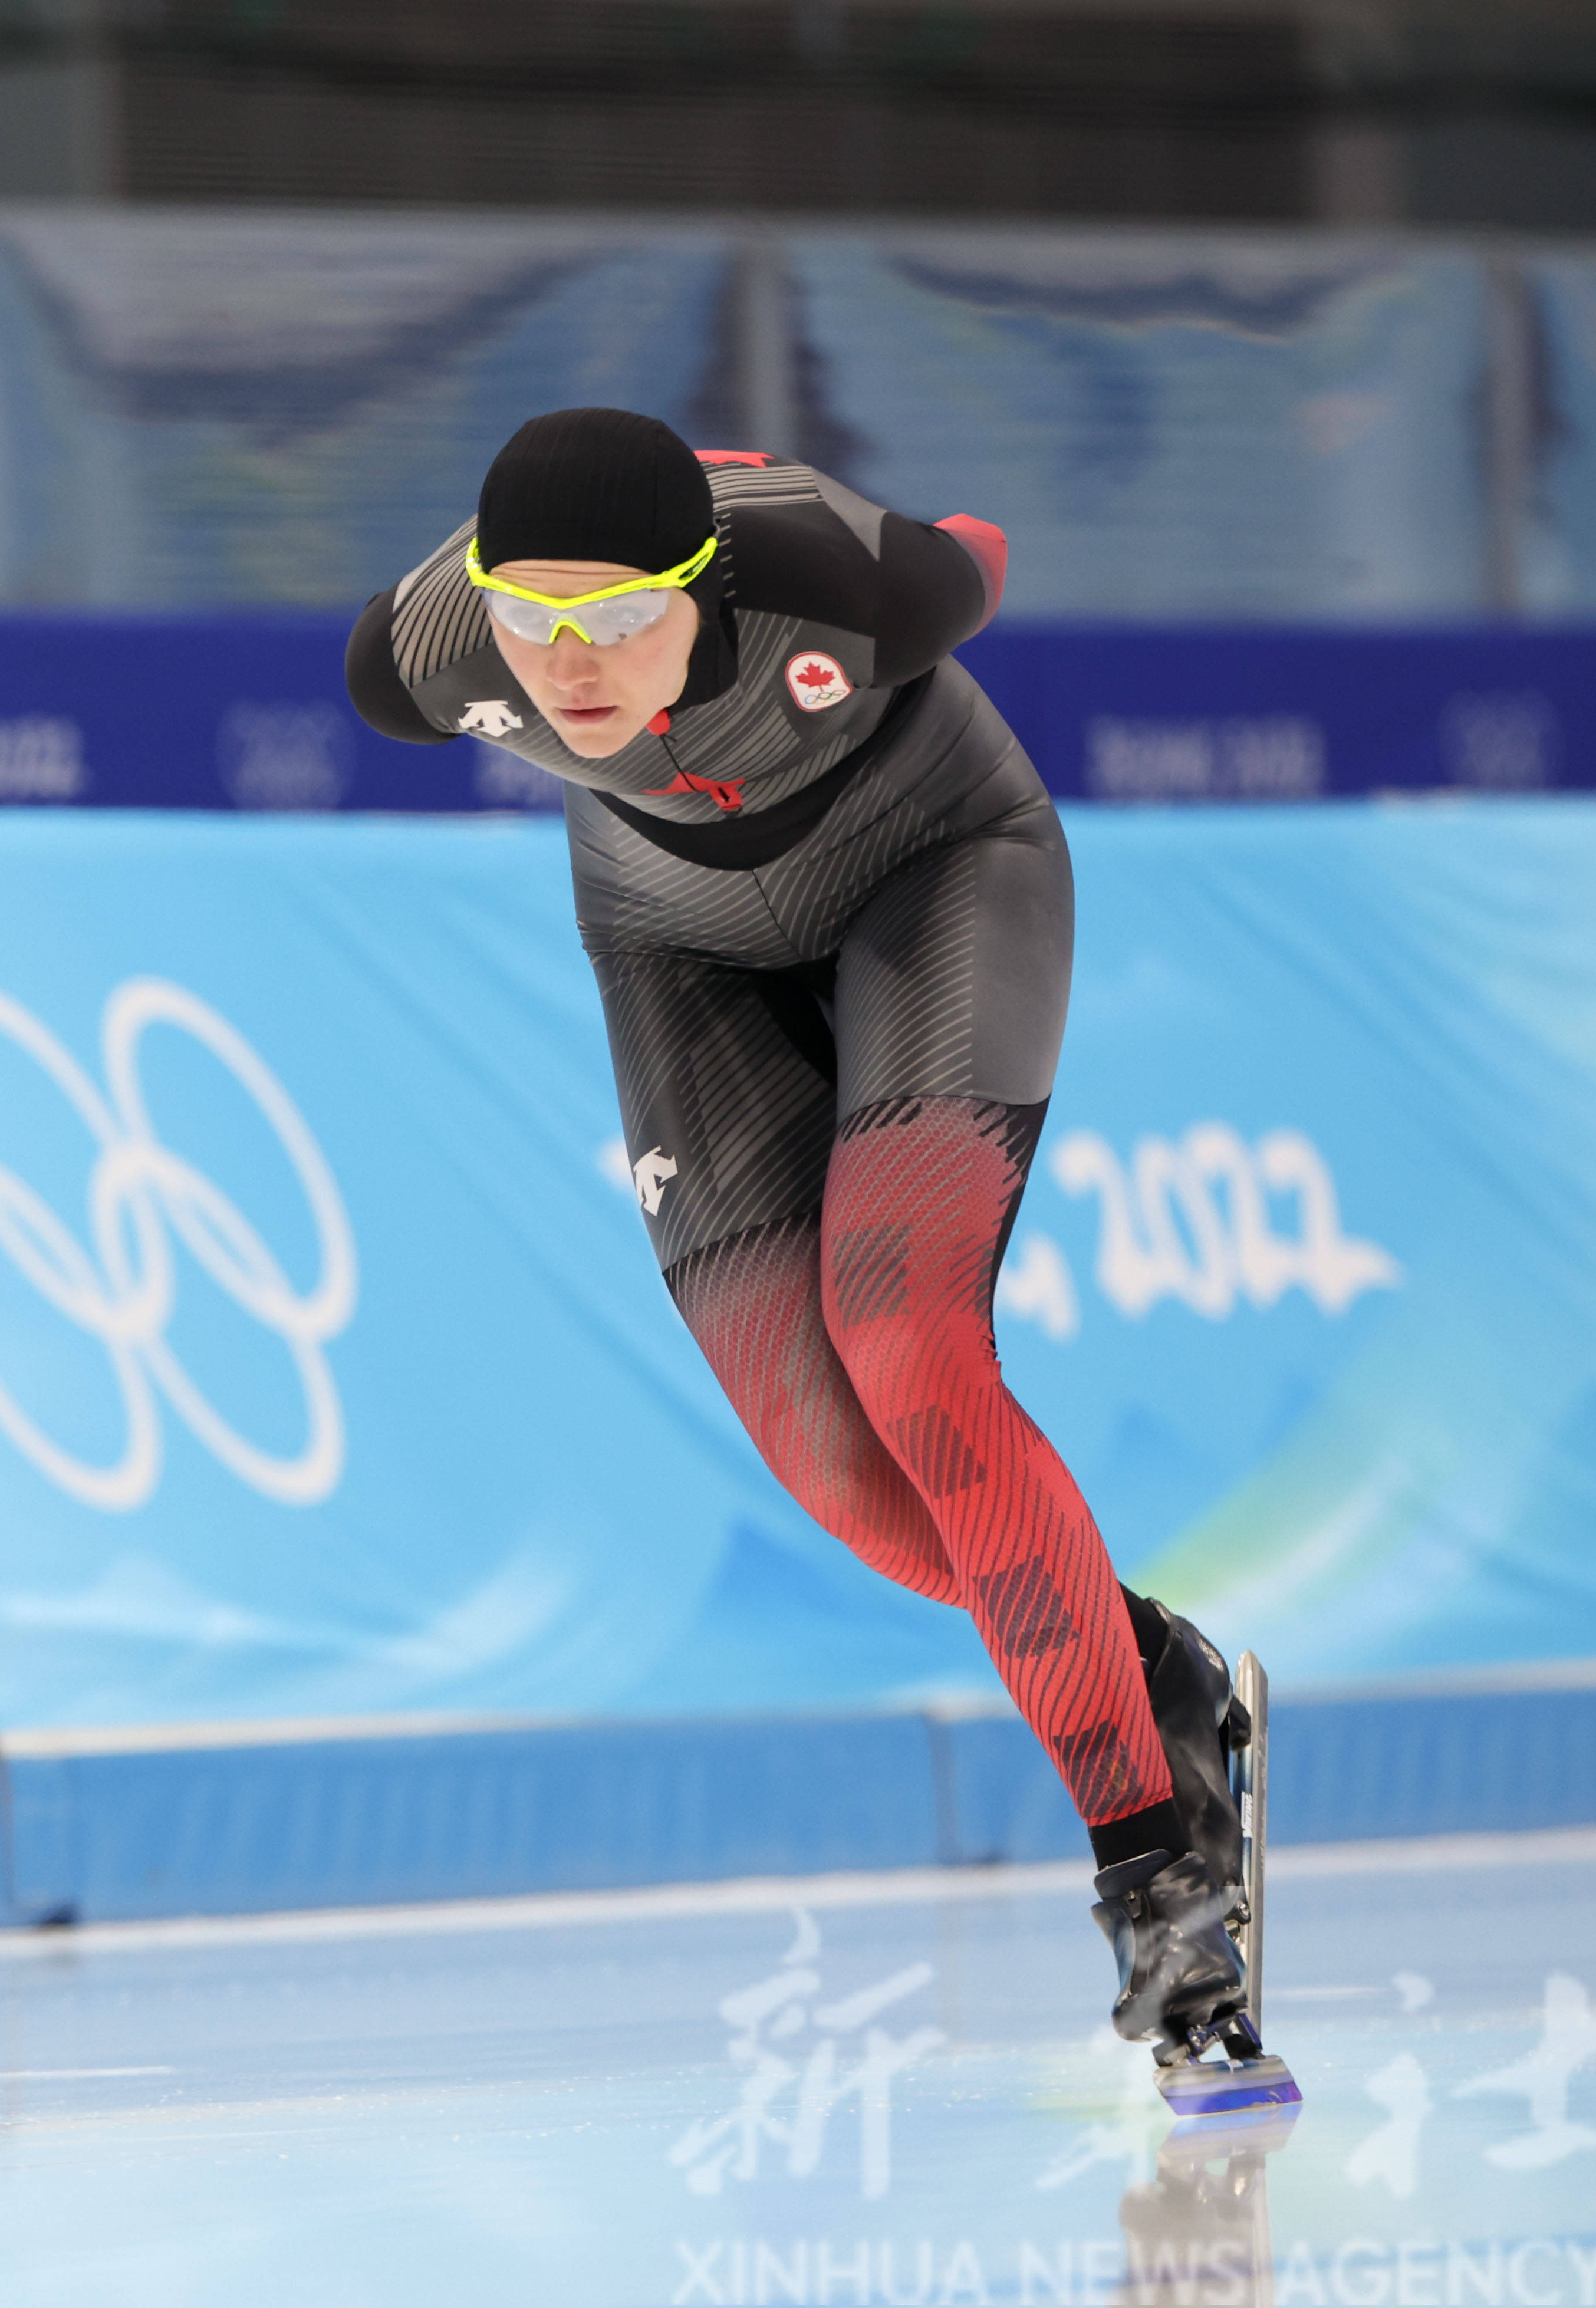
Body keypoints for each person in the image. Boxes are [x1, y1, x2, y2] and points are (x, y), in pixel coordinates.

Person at [347, 406, 1248, 2056]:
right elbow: (441, 642)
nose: (573, 663)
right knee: (837, 1464)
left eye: (621, 617)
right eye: (537, 621)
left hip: (934, 872)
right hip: (676, 944)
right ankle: (1147, 1666)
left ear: (706, 584)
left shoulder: (843, 579)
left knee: (905, 1338)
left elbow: (975, 552)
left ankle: (1154, 1864)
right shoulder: (422, 648)